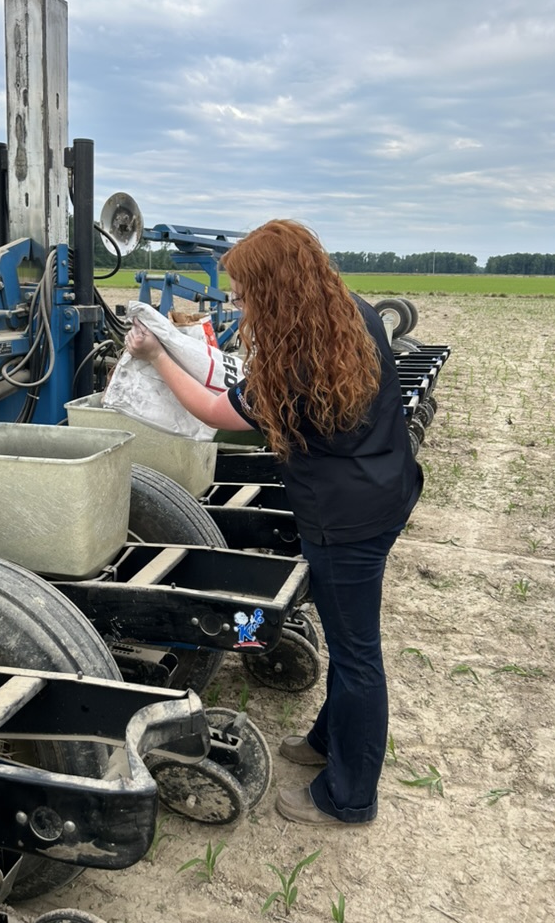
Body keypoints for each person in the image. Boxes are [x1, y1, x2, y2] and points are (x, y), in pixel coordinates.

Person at [124, 218, 423, 826]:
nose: (237, 302)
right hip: (382, 490)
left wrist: (157, 356)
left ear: (277, 288)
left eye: (243, 292)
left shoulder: (298, 361)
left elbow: (213, 408)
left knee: (358, 654)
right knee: (348, 640)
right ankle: (324, 743)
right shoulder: (350, 314)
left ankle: (350, 799)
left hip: (345, 519)